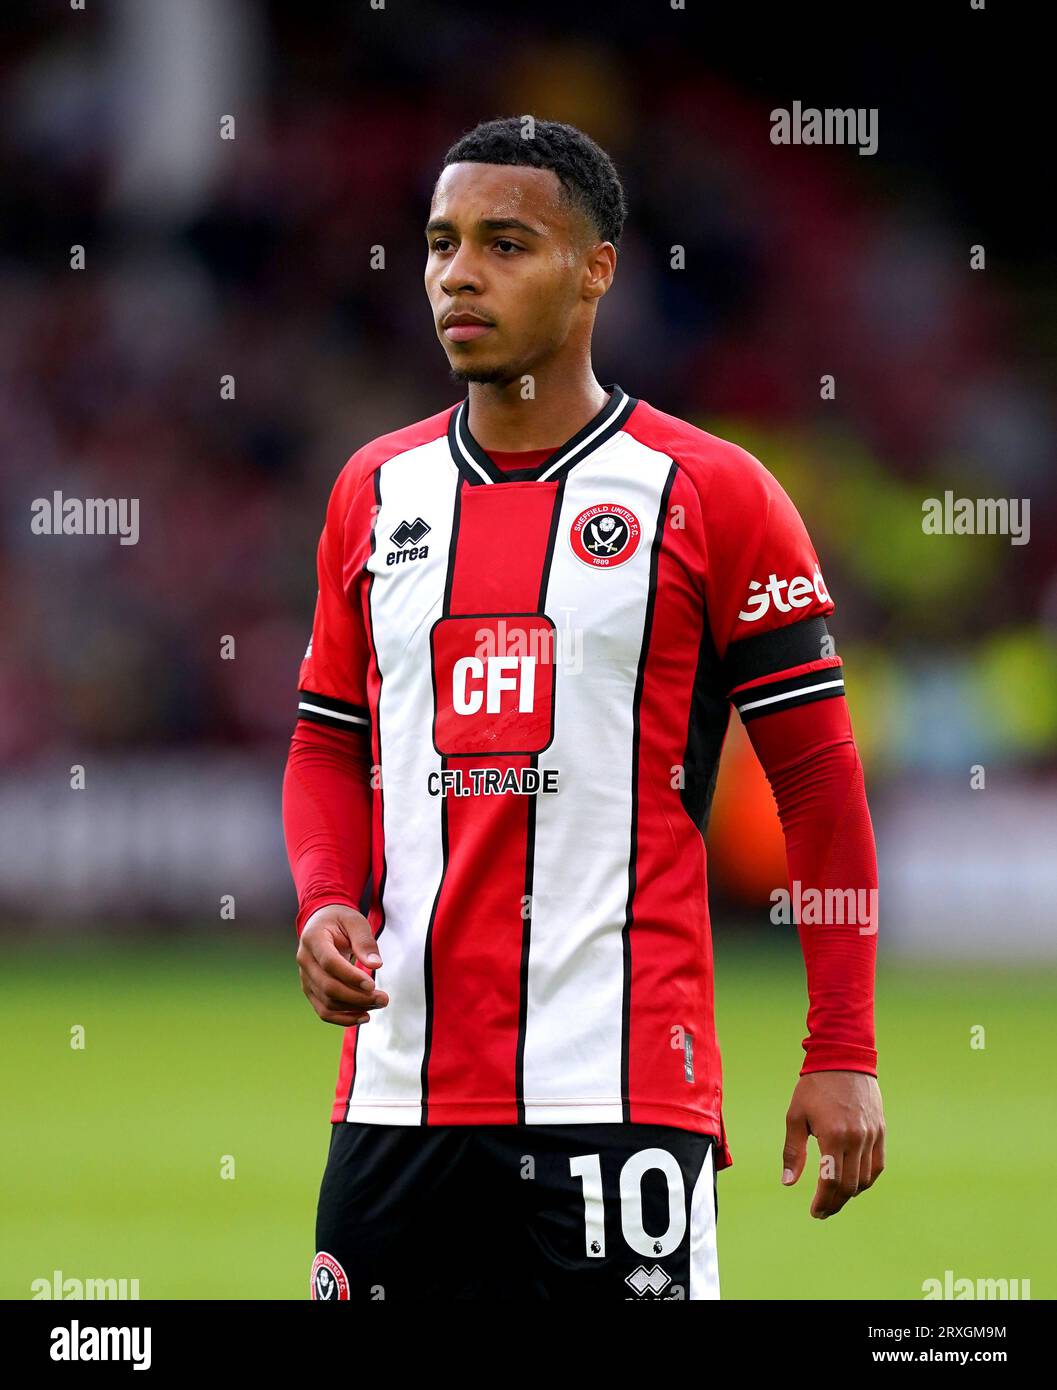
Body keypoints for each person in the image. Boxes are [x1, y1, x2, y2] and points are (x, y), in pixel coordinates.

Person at [282, 116, 884, 1301]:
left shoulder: (710, 493)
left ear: (596, 268)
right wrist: (321, 902)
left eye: (506, 243)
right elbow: (324, 741)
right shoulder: (374, 490)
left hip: (617, 1090)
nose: (459, 272)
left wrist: (842, 1046)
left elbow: (817, 782)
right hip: (396, 1092)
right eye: (442, 242)